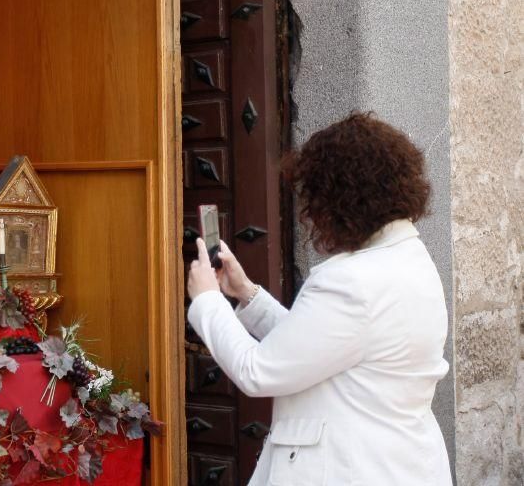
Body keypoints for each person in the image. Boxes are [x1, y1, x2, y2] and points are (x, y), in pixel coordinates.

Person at [187, 112, 452, 485]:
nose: (311, 215)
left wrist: (207, 301)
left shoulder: (352, 280)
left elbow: (259, 371)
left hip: (352, 469)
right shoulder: (412, 259)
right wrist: (247, 295)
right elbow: (323, 348)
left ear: (341, 199)